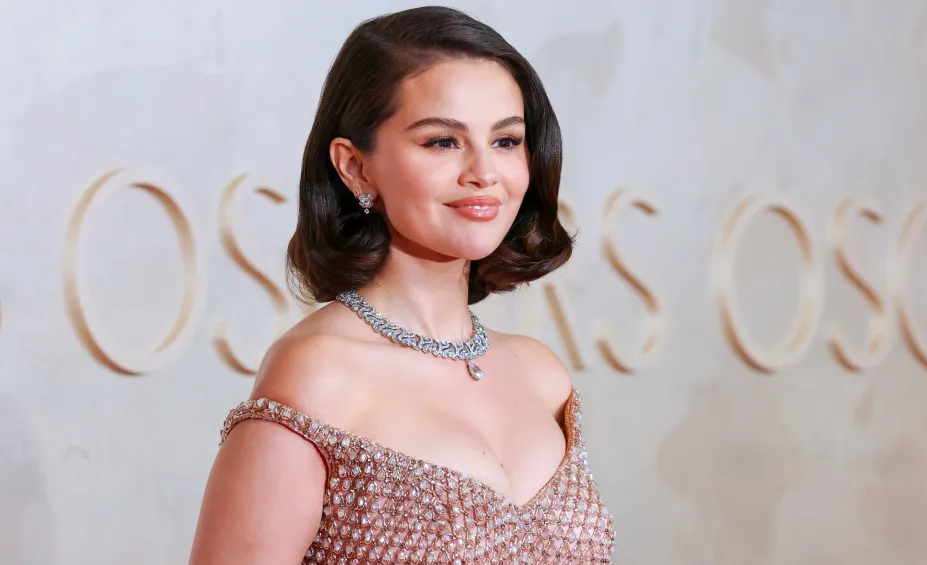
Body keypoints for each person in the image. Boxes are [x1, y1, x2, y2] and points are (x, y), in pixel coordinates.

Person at [188, 6, 616, 564]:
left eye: (507, 141)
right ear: (355, 168)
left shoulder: (541, 375)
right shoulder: (317, 374)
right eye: (442, 141)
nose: (484, 172)